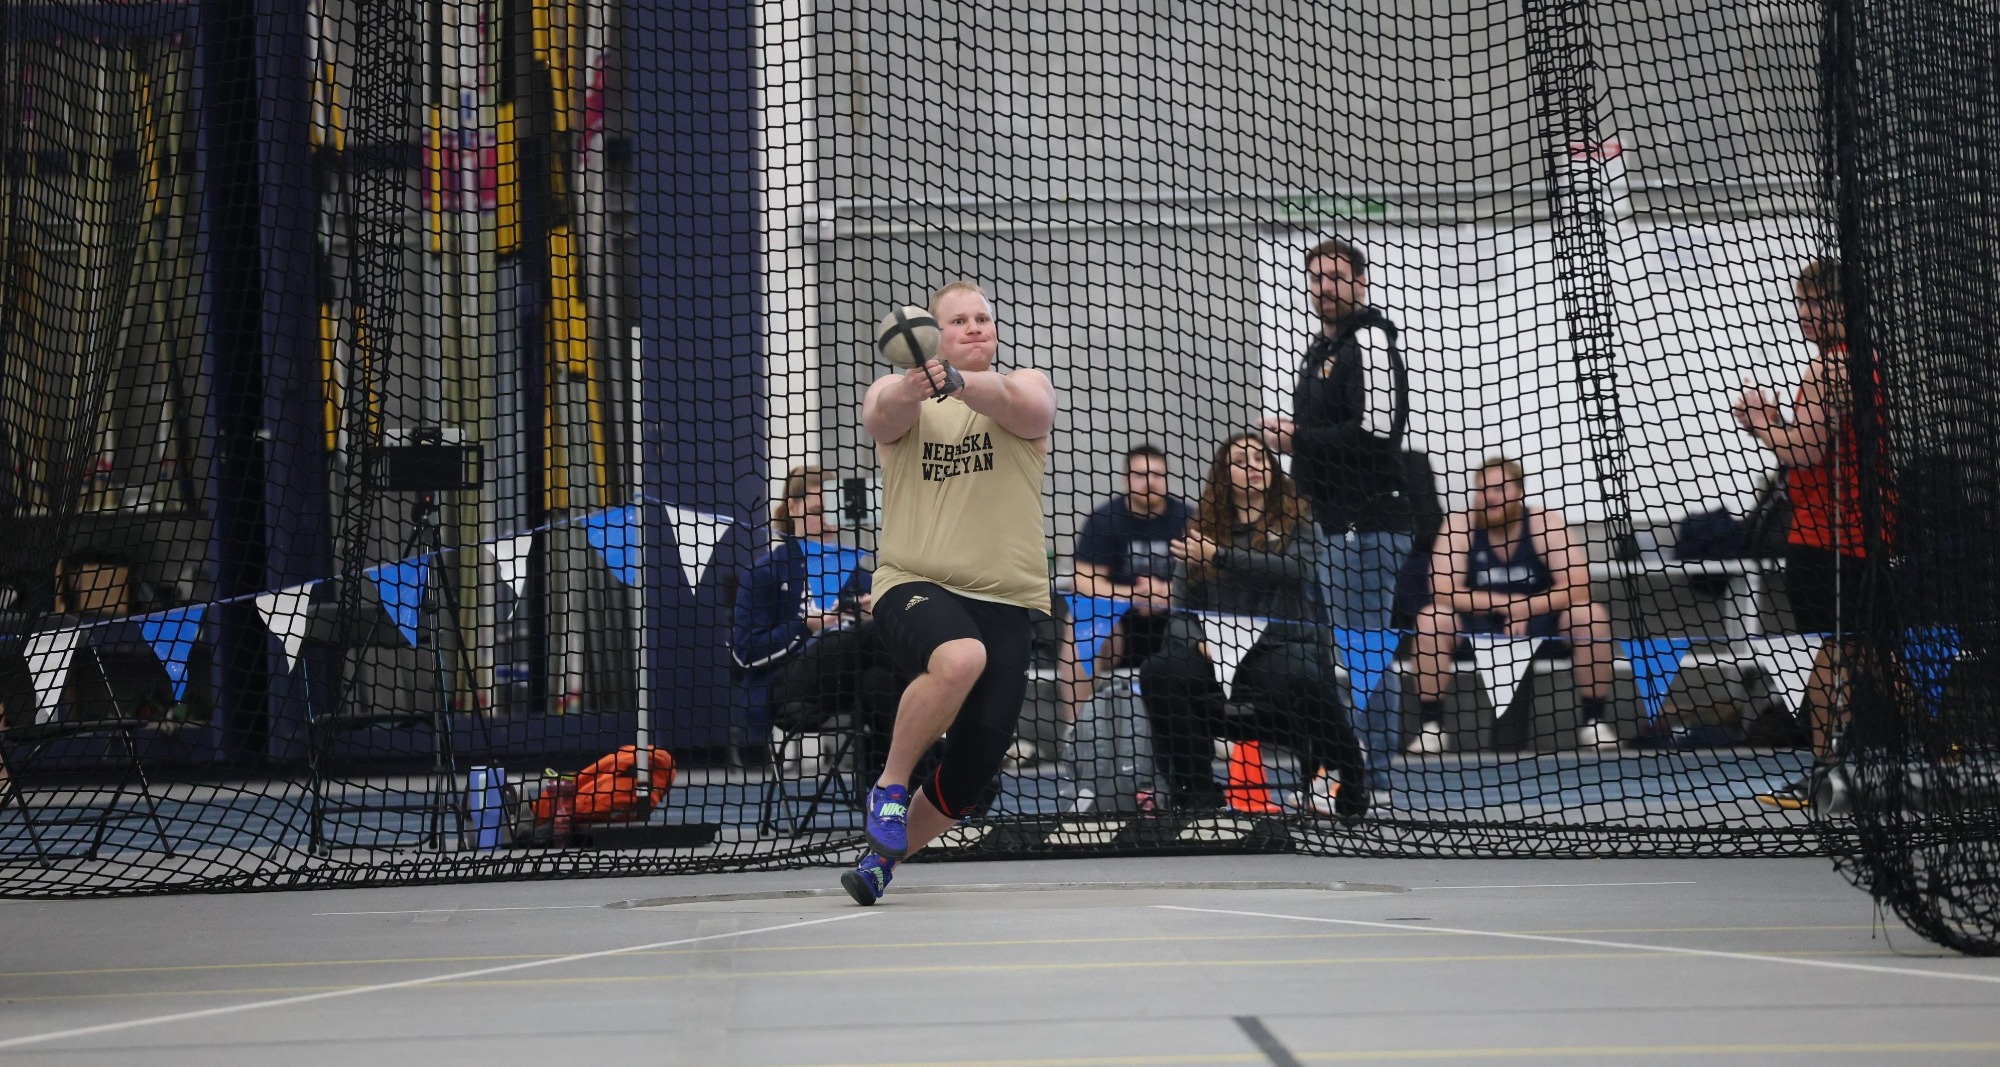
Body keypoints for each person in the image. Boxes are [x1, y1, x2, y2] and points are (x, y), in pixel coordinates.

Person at [843, 280, 1057, 905]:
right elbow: (881, 416)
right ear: (933, 335)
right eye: (958, 321)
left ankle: (882, 862)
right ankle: (888, 786)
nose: (974, 327)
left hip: (1007, 598)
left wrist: (959, 383)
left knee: (968, 775)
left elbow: (1030, 410)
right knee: (960, 656)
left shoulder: (1024, 382)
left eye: (983, 318)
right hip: (915, 582)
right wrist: (915, 384)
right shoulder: (898, 391)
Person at [1132, 431, 1368, 821]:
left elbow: (1295, 571)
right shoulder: (1201, 530)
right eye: (1241, 461)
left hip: (1277, 649)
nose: (1254, 467)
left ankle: (1351, 772)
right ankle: (1197, 788)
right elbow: (1181, 611)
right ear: (1225, 476)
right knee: (1160, 671)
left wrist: (1220, 556)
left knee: (1301, 675)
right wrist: (1197, 641)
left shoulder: (1299, 522)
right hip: (1216, 654)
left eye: (1261, 460)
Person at [1733, 258, 1894, 810]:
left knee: (1836, 651)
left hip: (1827, 536)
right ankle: (1923, 744)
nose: (1806, 314)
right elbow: (1818, 444)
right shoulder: (1859, 362)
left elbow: (1804, 448)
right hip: (1853, 533)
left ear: (1843, 306)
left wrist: (1761, 425)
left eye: (1818, 304)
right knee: (1867, 648)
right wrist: (1780, 423)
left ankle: (1824, 770)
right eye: (1803, 303)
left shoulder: (1831, 368)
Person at [1260, 236, 1413, 785]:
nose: (1325, 287)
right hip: (1326, 522)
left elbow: (1377, 429)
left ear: (1360, 282)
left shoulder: (1369, 339)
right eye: (1317, 277)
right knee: (1341, 651)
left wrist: (1298, 436)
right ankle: (1341, 769)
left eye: (1337, 276)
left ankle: (1368, 780)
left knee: (1366, 648)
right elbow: (1320, 437)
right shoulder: (1317, 352)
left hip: (1368, 522)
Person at [1407, 456, 1621, 754]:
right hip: (1479, 626)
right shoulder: (1460, 525)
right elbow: (1442, 590)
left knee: (1590, 614)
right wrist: (1508, 604)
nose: (1489, 497)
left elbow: (1579, 583)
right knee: (1430, 619)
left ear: (1519, 492)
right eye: (1482, 490)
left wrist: (1527, 608)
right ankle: (1431, 726)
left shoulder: (1544, 523)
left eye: (1499, 488)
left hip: (1541, 627)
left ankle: (1594, 721)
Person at [729, 464, 898, 777]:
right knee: (879, 638)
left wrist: (875, 614)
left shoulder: (860, 575)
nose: (828, 521)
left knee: (880, 680)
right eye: (819, 510)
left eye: (833, 511)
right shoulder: (765, 574)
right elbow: (744, 652)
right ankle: (934, 773)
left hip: (848, 685)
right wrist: (805, 627)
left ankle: (889, 785)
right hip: (789, 689)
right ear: (793, 508)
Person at [1072, 444, 1191, 604]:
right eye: (1141, 475)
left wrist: (1168, 592)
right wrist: (1135, 596)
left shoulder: (1189, 519)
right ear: (1125, 480)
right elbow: (1082, 581)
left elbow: (1205, 578)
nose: (1150, 481)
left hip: (1175, 608)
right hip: (1118, 607)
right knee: (1079, 620)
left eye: (1157, 474)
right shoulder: (1103, 520)